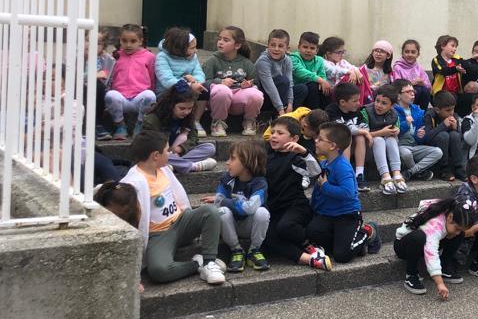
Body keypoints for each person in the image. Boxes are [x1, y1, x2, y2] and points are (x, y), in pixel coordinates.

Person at [120, 130, 226, 284]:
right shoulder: (133, 183)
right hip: (158, 234)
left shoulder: (163, 169)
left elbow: (179, 196)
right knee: (159, 270)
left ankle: (210, 262)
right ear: (156, 155)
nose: (169, 153)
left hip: (181, 222)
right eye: (166, 150)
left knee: (210, 212)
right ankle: (198, 264)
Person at [263, 116, 332, 271]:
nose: (274, 136)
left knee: (285, 227)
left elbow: (316, 172)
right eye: (273, 132)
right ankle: (308, 259)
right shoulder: (267, 156)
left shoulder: (295, 158)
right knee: (267, 236)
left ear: (294, 139)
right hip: (274, 208)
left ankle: (311, 245)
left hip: (296, 206)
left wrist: (304, 152)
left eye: (280, 133)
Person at [307, 123, 379, 263]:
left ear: (332, 146)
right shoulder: (324, 163)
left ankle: (368, 231)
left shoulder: (342, 166)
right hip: (327, 214)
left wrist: (326, 186)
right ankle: (350, 243)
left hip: (346, 215)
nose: (315, 141)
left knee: (341, 256)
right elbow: (317, 190)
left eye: (320, 139)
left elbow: (349, 193)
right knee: (312, 232)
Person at [207, 138, 270, 272]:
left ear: (248, 162)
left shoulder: (260, 183)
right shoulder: (226, 180)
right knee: (222, 211)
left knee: (262, 212)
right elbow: (218, 202)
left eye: (232, 158)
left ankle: (254, 250)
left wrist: (227, 201)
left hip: (250, 226)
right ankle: (236, 250)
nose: (227, 162)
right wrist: (231, 202)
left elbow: (249, 208)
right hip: (231, 226)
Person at [393, 197, 471, 298]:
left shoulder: (447, 212)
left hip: (423, 244)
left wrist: (455, 233)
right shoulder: (435, 225)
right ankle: (411, 275)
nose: (457, 232)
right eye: (457, 228)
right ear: (450, 217)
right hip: (403, 246)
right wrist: (440, 283)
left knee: (460, 234)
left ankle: (444, 268)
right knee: (419, 237)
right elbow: (431, 253)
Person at [140, 85, 217, 174]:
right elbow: (150, 145)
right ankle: (192, 166)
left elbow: (193, 138)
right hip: (160, 153)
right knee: (156, 155)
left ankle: (174, 165)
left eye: (190, 108)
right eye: (182, 108)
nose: (186, 112)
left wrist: (181, 148)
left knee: (210, 148)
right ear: (171, 105)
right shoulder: (152, 119)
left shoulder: (188, 117)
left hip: (178, 154)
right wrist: (166, 151)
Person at [203, 26, 263, 137]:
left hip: (238, 101)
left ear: (237, 45)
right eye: (219, 39)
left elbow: (256, 82)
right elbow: (204, 82)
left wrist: (248, 85)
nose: (220, 42)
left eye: (226, 40)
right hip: (218, 101)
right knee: (222, 90)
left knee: (256, 94)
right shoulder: (212, 61)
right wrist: (220, 82)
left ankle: (249, 121)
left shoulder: (246, 63)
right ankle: (218, 123)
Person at [104, 23, 156, 138]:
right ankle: (120, 126)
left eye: (133, 41)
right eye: (124, 41)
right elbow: (110, 77)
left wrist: (152, 90)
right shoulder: (116, 56)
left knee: (150, 95)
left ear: (140, 41)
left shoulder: (149, 56)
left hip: (139, 99)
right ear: (120, 40)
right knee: (110, 95)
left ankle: (140, 124)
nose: (128, 45)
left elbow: (152, 77)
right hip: (121, 99)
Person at [155, 27, 207, 135]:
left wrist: (195, 81)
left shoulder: (192, 56)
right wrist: (189, 84)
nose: (196, 50)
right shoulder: (162, 57)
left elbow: (200, 74)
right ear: (180, 48)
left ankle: (195, 121)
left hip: (189, 87)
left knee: (206, 90)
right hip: (168, 92)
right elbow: (167, 80)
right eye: (192, 48)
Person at [393, 78, 443, 180]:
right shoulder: (393, 111)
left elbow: (420, 138)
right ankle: (420, 173)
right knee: (406, 153)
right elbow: (394, 132)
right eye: (408, 92)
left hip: (414, 147)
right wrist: (406, 124)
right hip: (400, 146)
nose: (412, 94)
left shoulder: (418, 110)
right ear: (398, 96)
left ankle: (411, 172)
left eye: (413, 91)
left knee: (438, 152)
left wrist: (420, 135)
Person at [360, 85, 406, 194]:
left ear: (392, 105)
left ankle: (396, 174)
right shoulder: (365, 111)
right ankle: (385, 176)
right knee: (379, 140)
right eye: (377, 101)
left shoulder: (394, 114)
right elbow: (362, 135)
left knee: (391, 139)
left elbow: (397, 128)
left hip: (386, 148)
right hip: (367, 148)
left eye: (384, 103)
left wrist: (396, 131)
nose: (379, 105)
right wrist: (381, 133)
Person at [325, 82, 371, 190]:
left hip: (354, 147)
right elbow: (342, 129)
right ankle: (345, 173)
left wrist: (363, 132)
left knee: (360, 137)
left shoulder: (357, 111)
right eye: (355, 101)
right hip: (335, 147)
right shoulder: (332, 110)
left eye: (358, 100)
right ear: (342, 102)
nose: (358, 103)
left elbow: (365, 127)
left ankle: (359, 174)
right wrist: (363, 132)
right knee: (346, 136)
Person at [420, 91, 467, 182]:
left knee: (455, 135)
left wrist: (455, 129)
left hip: (449, 145)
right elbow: (427, 137)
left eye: (453, 109)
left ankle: (459, 168)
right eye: (448, 110)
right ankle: (444, 169)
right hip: (434, 145)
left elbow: (461, 138)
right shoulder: (430, 116)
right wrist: (443, 126)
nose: (451, 113)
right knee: (443, 135)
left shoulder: (454, 116)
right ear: (437, 110)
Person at [255, 29, 294, 117]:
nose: (276, 49)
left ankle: (290, 115)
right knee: (283, 81)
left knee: (302, 89)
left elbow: (290, 83)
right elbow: (270, 87)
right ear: (268, 45)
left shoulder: (287, 60)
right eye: (273, 45)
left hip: (278, 94)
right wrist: (280, 109)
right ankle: (275, 117)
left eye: (280, 46)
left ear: (287, 48)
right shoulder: (263, 61)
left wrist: (290, 104)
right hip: (262, 95)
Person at [290, 31, 332, 110]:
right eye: (305, 47)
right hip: (297, 91)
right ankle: (313, 113)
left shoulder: (319, 60)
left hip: (312, 93)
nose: (308, 50)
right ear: (299, 47)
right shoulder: (293, 58)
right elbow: (300, 71)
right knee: (313, 85)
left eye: (312, 48)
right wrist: (321, 80)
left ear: (317, 50)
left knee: (326, 88)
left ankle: (326, 113)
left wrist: (323, 82)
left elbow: (322, 75)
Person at [391, 39, 432, 109]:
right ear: (402, 53)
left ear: (418, 54)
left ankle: (422, 113)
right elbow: (396, 87)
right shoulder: (398, 67)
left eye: (413, 52)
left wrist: (422, 83)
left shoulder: (419, 67)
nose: (410, 54)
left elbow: (429, 86)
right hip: (403, 99)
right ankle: (408, 111)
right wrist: (411, 84)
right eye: (407, 52)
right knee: (417, 90)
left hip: (418, 99)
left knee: (424, 90)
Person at [430, 34, 465, 99]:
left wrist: (473, 60)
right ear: (443, 46)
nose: (455, 49)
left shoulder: (457, 58)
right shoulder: (436, 60)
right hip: (441, 93)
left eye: (456, 47)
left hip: (456, 92)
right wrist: (456, 68)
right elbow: (443, 70)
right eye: (452, 46)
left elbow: (466, 64)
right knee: (450, 99)